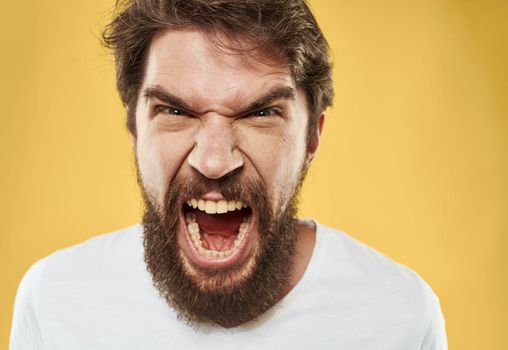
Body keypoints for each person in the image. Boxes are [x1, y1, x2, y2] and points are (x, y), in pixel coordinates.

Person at [10, 0, 447, 349]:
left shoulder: (401, 317)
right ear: (134, 129)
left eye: (260, 113)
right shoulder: (55, 303)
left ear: (312, 137)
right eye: (175, 111)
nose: (215, 161)